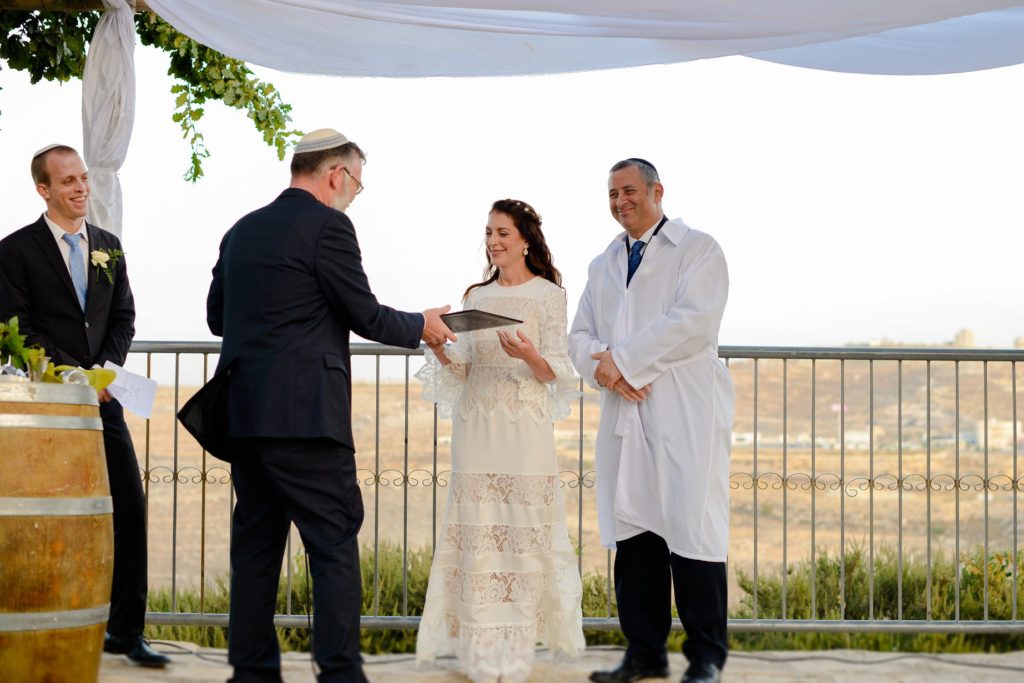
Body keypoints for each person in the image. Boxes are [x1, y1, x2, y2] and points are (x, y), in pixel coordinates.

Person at [206, 128, 456, 683]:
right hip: (306, 421)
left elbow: (216, 318)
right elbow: (365, 314)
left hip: (245, 415)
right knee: (333, 543)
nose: (353, 195)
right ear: (335, 174)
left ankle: (251, 673)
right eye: (357, 185)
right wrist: (424, 325)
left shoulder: (241, 230)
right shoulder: (329, 226)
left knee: (255, 549)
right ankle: (340, 674)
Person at [0, 144, 168, 667]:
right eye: (67, 181)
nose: (79, 188)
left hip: (104, 402)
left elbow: (123, 318)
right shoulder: (14, 251)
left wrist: (105, 374)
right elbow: (17, 329)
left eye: (82, 179)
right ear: (43, 189)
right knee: (42, 520)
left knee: (130, 510)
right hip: (47, 410)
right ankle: (42, 624)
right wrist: (75, 378)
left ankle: (126, 630)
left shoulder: (109, 246)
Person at [568, 159, 734, 683]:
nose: (620, 202)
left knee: (691, 530)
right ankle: (644, 652)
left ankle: (705, 657)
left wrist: (624, 359)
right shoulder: (603, 264)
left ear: (656, 191)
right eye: (612, 194)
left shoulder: (698, 249)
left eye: (630, 191)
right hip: (626, 410)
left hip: (683, 410)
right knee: (634, 535)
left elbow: (692, 322)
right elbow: (578, 338)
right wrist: (608, 369)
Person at [415, 199, 585, 683]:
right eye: (489, 232)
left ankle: (514, 653)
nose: (493, 241)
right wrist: (439, 349)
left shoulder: (548, 296)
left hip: (525, 429)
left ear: (525, 239)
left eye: (503, 233)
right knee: (476, 532)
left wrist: (530, 353)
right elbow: (464, 368)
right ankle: (480, 653)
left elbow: (558, 371)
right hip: (477, 427)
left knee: (523, 529)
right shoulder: (475, 294)